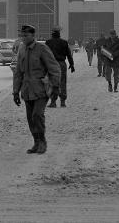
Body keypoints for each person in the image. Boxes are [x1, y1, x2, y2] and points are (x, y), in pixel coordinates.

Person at [12, 24, 61, 154]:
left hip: (40, 89)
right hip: (27, 90)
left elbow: (54, 68)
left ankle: (42, 141)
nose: (23, 37)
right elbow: (18, 72)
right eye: (22, 35)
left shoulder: (42, 48)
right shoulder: (21, 50)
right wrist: (15, 91)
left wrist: (55, 86)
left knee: (37, 115)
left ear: (33, 36)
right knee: (30, 118)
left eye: (26, 35)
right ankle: (36, 142)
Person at [44, 29, 75, 107]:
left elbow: (44, 55)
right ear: (59, 35)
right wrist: (72, 64)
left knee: (52, 82)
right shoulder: (64, 42)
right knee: (62, 82)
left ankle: (53, 101)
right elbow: (69, 54)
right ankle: (62, 101)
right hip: (61, 64)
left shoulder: (48, 42)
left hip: (51, 64)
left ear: (52, 35)